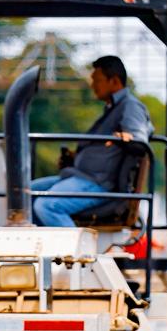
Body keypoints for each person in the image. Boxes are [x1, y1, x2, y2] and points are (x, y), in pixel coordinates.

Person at [31, 56, 152, 227]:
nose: (93, 85)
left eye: (97, 80)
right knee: (26, 193)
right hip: (80, 176)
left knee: (47, 206)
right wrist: (75, 158)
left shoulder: (131, 106)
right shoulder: (112, 109)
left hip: (97, 183)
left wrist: (127, 139)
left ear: (114, 81)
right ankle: (43, 242)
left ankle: (72, 245)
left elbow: (138, 142)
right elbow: (107, 146)